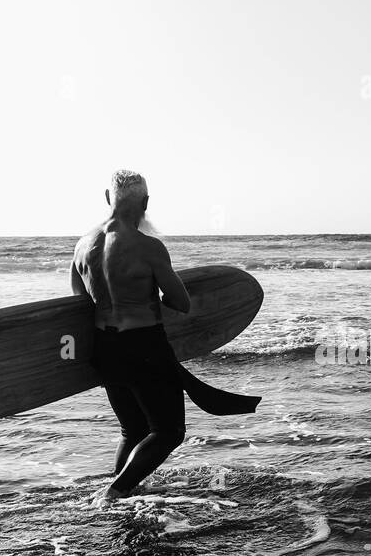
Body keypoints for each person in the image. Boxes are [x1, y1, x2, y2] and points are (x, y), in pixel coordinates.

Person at [71, 170, 259, 506]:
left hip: (105, 350)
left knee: (134, 430)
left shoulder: (83, 246)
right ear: (145, 203)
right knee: (169, 431)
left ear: (106, 198)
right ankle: (114, 493)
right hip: (144, 348)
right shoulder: (149, 247)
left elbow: (78, 303)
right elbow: (181, 302)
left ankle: (125, 489)